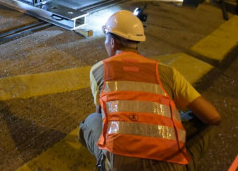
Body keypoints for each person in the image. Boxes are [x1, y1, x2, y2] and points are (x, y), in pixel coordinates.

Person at [78, 10, 221, 171]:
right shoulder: (168, 73)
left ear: (112, 42)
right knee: (199, 120)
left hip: (121, 166)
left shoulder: (99, 70)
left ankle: (104, 165)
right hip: (170, 167)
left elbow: (101, 114)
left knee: (91, 120)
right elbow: (214, 117)